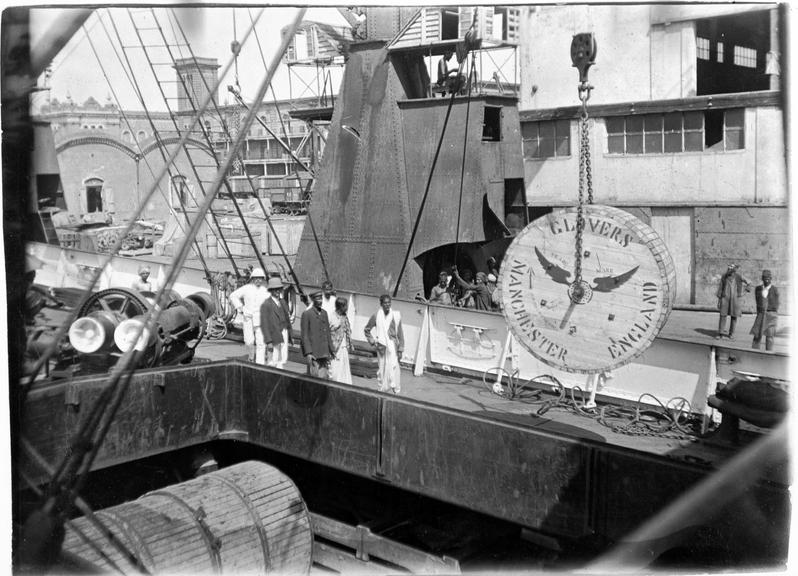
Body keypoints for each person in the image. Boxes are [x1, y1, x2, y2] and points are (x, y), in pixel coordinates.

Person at [229, 267, 269, 364]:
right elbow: (233, 296)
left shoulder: (265, 291)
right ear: (252, 278)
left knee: (261, 342)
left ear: (263, 279)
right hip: (248, 318)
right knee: (248, 340)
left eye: (260, 278)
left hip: (260, 319)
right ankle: (251, 357)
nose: (258, 280)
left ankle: (260, 363)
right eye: (256, 278)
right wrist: (241, 308)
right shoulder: (246, 288)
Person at [365, 295, 404, 394]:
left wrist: (400, 349)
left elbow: (400, 334)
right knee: (382, 370)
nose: (387, 305)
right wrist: (372, 341)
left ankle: (396, 391)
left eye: (389, 302)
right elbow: (367, 329)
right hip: (381, 348)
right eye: (385, 303)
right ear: (381, 304)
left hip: (393, 347)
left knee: (395, 369)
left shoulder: (396, 316)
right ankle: (382, 391)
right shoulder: (376, 316)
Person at [300, 290, 334, 379]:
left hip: (324, 352)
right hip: (314, 353)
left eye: (321, 298)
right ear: (313, 300)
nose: (320, 301)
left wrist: (331, 349)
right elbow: (305, 336)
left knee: (324, 378)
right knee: (314, 378)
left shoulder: (324, 313)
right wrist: (308, 353)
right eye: (318, 299)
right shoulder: (307, 314)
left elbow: (327, 332)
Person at [260, 277, 292, 369]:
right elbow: (264, 325)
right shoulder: (266, 304)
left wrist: (290, 334)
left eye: (279, 289)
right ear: (270, 291)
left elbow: (287, 319)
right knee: (273, 360)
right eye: (275, 289)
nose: (278, 291)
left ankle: (281, 370)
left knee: (282, 358)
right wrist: (268, 341)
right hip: (274, 335)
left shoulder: (283, 302)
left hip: (284, 332)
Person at [715, 263, 750, 339]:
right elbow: (720, 288)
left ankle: (731, 333)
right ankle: (720, 333)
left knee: (734, 317)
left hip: (735, 300)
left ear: (734, 270)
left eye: (731, 269)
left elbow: (749, 281)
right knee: (723, 315)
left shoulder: (738, 276)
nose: (730, 270)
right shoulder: (724, 277)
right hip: (725, 299)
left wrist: (747, 289)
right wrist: (719, 300)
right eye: (729, 268)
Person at [750, 269, 780, 351]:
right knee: (757, 336)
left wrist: (771, 312)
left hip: (771, 315)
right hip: (760, 314)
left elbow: (776, 304)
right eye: (765, 278)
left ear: (771, 279)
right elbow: (757, 301)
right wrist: (760, 313)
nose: (767, 279)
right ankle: (754, 353)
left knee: (770, 337)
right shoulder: (758, 289)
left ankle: (769, 354)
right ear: (762, 279)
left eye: (769, 278)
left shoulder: (775, 290)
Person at [329, 296, 353, 385]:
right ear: (341, 306)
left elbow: (347, 331)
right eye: (346, 306)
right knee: (334, 369)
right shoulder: (332, 316)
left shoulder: (344, 317)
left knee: (344, 369)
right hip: (334, 348)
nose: (347, 308)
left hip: (343, 347)